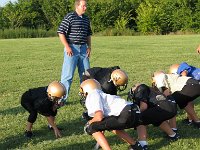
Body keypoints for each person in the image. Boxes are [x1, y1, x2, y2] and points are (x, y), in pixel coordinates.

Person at [80, 79, 143, 150]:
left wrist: (89, 123)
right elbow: (103, 121)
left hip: (125, 113)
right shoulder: (101, 94)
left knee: (91, 127)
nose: (83, 95)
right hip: (135, 112)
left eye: (82, 93)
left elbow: (99, 116)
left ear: (87, 89)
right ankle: (136, 146)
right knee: (112, 125)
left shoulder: (92, 94)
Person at [57, 0, 92, 102]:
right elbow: (61, 32)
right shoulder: (70, 17)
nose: (85, 8)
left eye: (86, 6)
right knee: (67, 76)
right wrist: (67, 46)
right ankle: (62, 100)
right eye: (83, 6)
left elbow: (88, 34)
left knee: (86, 75)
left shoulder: (86, 19)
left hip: (84, 49)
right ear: (77, 6)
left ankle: (87, 98)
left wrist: (89, 47)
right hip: (72, 49)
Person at [127, 83, 179, 149]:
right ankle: (173, 135)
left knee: (139, 117)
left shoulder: (141, 88)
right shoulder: (150, 90)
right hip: (171, 106)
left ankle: (142, 144)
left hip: (163, 107)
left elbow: (143, 107)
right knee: (154, 118)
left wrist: (134, 115)